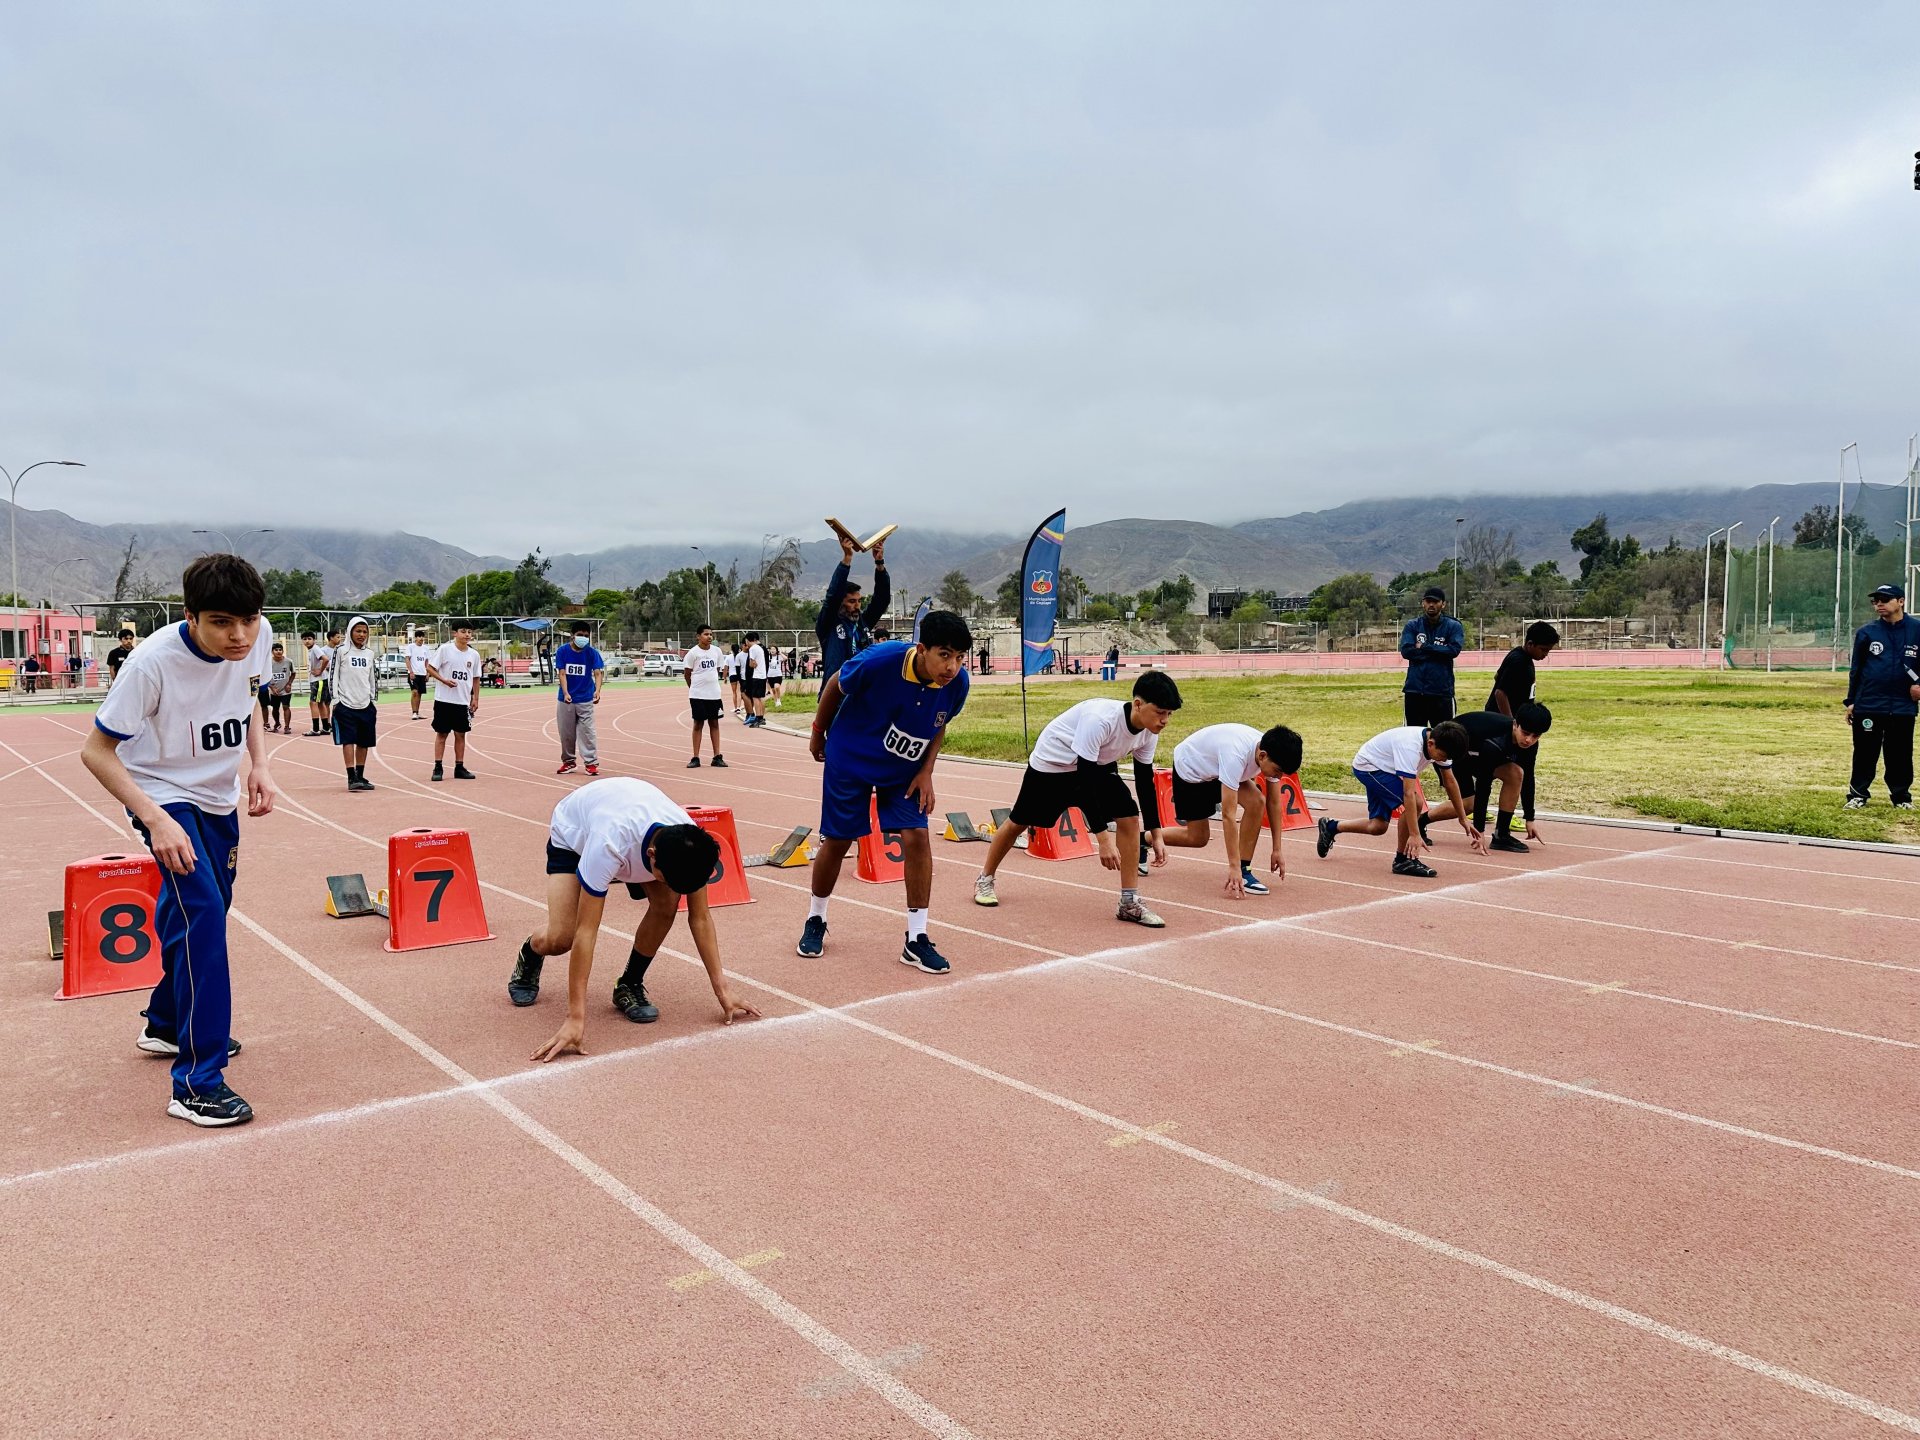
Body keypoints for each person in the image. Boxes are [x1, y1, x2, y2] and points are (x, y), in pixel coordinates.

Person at [79, 554, 276, 1127]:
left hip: (217, 795)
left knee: (207, 905)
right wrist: (156, 819)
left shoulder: (255, 638)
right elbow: (95, 751)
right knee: (205, 915)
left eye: (248, 620)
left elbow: (249, 698)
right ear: (190, 616)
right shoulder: (151, 664)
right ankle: (196, 1083)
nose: (239, 636)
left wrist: (259, 765)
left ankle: (166, 1023)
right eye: (221, 623)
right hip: (161, 794)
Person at [509, 777, 759, 1059]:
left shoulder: (691, 845)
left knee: (667, 903)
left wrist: (723, 990)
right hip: (574, 835)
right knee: (562, 938)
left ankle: (628, 984)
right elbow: (586, 932)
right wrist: (575, 1018)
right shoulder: (608, 844)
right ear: (652, 856)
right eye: (666, 878)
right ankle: (531, 952)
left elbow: (700, 918)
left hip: (629, 822)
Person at [796, 611, 972, 973]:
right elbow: (835, 684)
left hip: (903, 769)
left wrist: (926, 771)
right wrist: (817, 733)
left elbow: (940, 723)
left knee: (917, 837)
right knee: (839, 840)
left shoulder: (958, 683)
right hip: (852, 757)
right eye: (944, 655)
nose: (952, 666)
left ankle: (916, 938)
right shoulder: (881, 660)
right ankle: (816, 918)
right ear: (922, 649)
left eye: (959, 657)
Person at [973, 671, 1183, 927]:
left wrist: (1156, 834)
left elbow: (1144, 781)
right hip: (1053, 765)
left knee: (1129, 815)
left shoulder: (1149, 731)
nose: (1165, 720)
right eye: (1160, 712)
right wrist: (1103, 839)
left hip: (1096, 765)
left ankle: (1129, 902)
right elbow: (1084, 783)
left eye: (1169, 714)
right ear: (1138, 704)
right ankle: (985, 878)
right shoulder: (1100, 720)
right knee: (1018, 821)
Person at [1149, 722, 1302, 897]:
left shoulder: (1272, 752)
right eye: (1278, 771)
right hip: (1191, 772)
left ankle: (1245, 870)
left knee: (1257, 801)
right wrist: (1232, 866)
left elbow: (1274, 804)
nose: (1279, 777)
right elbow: (1228, 815)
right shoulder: (1235, 756)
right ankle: (1146, 838)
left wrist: (1277, 849)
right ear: (1262, 756)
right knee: (1198, 838)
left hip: (1217, 769)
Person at [1315, 721, 1485, 877]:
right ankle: (1402, 860)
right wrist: (1415, 834)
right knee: (1416, 802)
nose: (1442, 760)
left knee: (1377, 826)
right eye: (1442, 756)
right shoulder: (1410, 747)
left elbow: (1450, 781)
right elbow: (1408, 794)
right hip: (1370, 767)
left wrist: (1462, 818)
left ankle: (1330, 827)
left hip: (1384, 767)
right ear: (1430, 744)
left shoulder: (1440, 743)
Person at [1421, 705, 1552, 852]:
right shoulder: (1495, 742)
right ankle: (1420, 822)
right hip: (1452, 751)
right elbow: (1483, 786)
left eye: (1535, 736)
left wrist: (1530, 818)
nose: (1529, 740)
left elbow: (1528, 778)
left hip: (1477, 753)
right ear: (1515, 724)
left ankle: (1502, 835)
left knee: (1516, 774)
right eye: (1525, 733)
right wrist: (1480, 831)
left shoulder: (1530, 746)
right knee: (1469, 804)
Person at [1844, 582, 1920, 809]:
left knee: (1900, 753)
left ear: (1901, 602)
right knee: (1865, 752)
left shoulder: (1917, 630)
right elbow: (1856, 670)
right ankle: (1858, 795)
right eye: (1875, 601)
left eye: (1885, 600)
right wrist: (1851, 701)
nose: (1879, 604)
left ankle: (1901, 797)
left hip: (1903, 705)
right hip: (1870, 703)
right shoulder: (1867, 632)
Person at [1484, 620, 1558, 833]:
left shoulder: (1522, 658)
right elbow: (1500, 692)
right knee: (1505, 772)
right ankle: (1481, 811)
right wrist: (1511, 724)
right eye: (1543, 649)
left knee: (1520, 772)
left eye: (1549, 650)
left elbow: (1498, 677)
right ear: (1531, 643)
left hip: (1522, 723)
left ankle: (1514, 818)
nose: (1545, 654)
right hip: (1506, 725)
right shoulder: (1518, 660)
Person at [815, 532, 891, 682]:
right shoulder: (828, 624)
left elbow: (882, 600)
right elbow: (832, 596)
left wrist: (879, 563)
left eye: (859, 601)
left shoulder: (862, 623)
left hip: (861, 690)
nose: (857, 606)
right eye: (851, 601)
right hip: (837, 691)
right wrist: (847, 558)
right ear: (840, 603)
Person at [1399, 586, 1464, 726]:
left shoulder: (1453, 626)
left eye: (1435, 601)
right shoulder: (1412, 626)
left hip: (1441, 692)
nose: (1431, 605)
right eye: (1428, 601)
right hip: (1415, 691)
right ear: (1423, 603)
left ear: (1443, 604)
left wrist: (1425, 647)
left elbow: (1453, 651)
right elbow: (1407, 651)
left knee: (1445, 736)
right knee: (1413, 736)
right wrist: (1440, 651)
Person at [426, 621, 480, 781]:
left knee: (460, 734)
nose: (467, 635)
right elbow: (430, 668)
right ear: (455, 633)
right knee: (442, 734)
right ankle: (438, 767)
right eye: (463, 631)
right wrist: (444, 680)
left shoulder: (474, 655)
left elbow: (476, 678)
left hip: (462, 701)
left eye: (469, 632)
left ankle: (459, 767)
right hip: (444, 700)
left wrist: (475, 698)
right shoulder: (445, 649)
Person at [331, 617, 379, 792]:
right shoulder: (341, 651)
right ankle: (351, 777)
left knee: (364, 742)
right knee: (348, 740)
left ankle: (360, 775)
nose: (361, 634)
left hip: (365, 704)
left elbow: (372, 678)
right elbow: (333, 675)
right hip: (345, 703)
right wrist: (335, 699)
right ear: (350, 632)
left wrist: (373, 699)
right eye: (358, 631)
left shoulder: (369, 654)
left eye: (365, 631)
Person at [555, 621, 605, 776]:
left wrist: (597, 690)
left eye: (586, 635)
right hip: (566, 699)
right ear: (572, 635)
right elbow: (562, 673)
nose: (583, 638)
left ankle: (591, 763)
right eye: (580, 635)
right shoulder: (562, 651)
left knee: (588, 732)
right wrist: (566, 692)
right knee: (566, 733)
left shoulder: (592, 653)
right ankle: (569, 762)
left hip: (585, 698)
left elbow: (598, 673)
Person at [682, 624, 728, 768]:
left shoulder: (717, 651)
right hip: (697, 694)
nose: (709, 637)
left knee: (714, 723)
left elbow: (717, 669)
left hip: (714, 694)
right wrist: (694, 688)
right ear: (698, 636)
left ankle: (717, 756)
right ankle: (696, 757)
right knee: (698, 724)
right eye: (706, 634)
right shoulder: (693, 653)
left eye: (711, 634)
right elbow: (687, 674)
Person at [305, 629, 335, 736]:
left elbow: (325, 659)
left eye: (309, 639)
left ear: (314, 640)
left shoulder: (315, 649)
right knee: (321, 703)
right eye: (305, 639)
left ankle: (316, 729)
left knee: (313, 703)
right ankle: (326, 728)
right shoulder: (311, 650)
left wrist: (320, 671)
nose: (307, 641)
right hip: (318, 680)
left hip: (318, 681)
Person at [263, 640, 296, 732]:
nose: (278, 651)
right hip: (274, 690)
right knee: (275, 708)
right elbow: (264, 676)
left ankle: (287, 727)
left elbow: (293, 673)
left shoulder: (289, 661)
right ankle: (277, 723)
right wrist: (272, 687)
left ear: (283, 651)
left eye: (280, 650)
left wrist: (289, 684)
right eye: (276, 650)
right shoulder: (268, 663)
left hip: (285, 689)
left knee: (286, 706)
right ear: (272, 652)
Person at [741, 631, 768, 727]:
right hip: (763, 675)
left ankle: (758, 717)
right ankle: (760, 718)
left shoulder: (752, 649)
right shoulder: (760, 648)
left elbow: (751, 664)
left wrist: (752, 663)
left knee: (755, 698)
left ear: (747, 640)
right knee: (760, 697)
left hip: (757, 676)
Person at [405, 628, 433, 720]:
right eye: (419, 636)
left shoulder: (426, 648)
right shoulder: (410, 647)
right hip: (414, 673)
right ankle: (414, 712)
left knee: (420, 694)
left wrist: (428, 673)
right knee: (414, 692)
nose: (421, 638)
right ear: (415, 638)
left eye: (422, 637)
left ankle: (417, 712)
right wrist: (411, 671)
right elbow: (407, 659)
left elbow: (427, 662)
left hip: (422, 674)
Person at [727, 641, 744, 718]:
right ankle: (738, 707)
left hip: (732, 675)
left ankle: (735, 707)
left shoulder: (729, 657)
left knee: (734, 692)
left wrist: (724, 677)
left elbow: (725, 667)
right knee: (739, 691)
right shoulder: (740, 656)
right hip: (739, 675)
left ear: (732, 649)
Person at [767, 642, 785, 708]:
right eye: (771, 649)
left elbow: (785, 658)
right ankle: (776, 702)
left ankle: (779, 700)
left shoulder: (779, 657)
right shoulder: (768, 657)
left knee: (777, 687)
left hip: (778, 675)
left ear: (776, 650)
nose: (772, 650)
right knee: (773, 690)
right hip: (770, 675)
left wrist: (780, 653)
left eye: (774, 649)